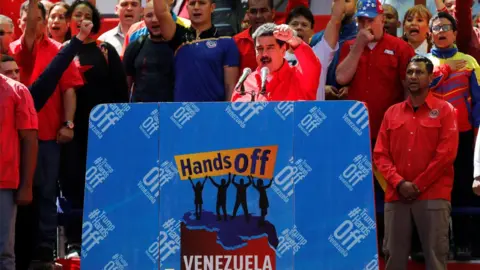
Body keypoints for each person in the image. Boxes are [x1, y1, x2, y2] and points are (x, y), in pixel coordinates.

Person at [374, 55, 458, 270]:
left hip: (433, 195)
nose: (413, 76)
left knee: (436, 258)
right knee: (393, 258)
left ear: (430, 78)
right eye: (410, 72)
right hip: (396, 195)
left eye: (419, 72)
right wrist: (400, 183)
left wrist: (418, 185)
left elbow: (446, 155)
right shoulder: (391, 113)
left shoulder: (446, 110)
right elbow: (380, 155)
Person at [60, 0, 129, 259]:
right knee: (73, 187)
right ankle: (74, 243)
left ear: (95, 21)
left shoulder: (106, 50)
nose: (82, 19)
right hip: (71, 133)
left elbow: (121, 94)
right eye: (77, 15)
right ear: (70, 21)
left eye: (87, 15)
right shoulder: (63, 51)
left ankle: (109, 238)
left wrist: (119, 131)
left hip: (104, 134)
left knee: (106, 186)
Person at [427, 11, 480, 260]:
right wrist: (445, 70)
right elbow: (418, 89)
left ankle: (465, 242)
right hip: (429, 137)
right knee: (433, 189)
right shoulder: (422, 60)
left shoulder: (469, 61)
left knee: (462, 188)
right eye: (436, 27)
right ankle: (434, 244)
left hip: (463, 134)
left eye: (445, 27)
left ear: (455, 33)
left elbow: (478, 102)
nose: (441, 31)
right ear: (430, 34)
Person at [153, 0, 240, 101]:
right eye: (192, 3)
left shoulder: (227, 42)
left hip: (214, 113)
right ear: (187, 8)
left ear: (212, 7)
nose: (196, 7)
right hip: (181, 113)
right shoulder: (177, 36)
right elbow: (161, 12)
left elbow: (230, 86)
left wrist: (226, 114)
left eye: (202, 3)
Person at [0, 72, 38, 270]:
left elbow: (30, 140)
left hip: (4, 183)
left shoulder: (17, 91)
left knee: (3, 252)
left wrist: (26, 185)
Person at [231, 23, 321, 101]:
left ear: (283, 50)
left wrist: (291, 39)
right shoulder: (246, 82)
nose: (264, 54)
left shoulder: (300, 77)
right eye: (260, 49)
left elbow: (312, 64)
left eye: (270, 48)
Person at [123, 0, 175, 102]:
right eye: (149, 15)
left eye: (158, 15)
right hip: (141, 112)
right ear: (143, 19)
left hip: (173, 111)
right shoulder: (135, 46)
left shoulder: (180, 46)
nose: (155, 20)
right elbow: (126, 86)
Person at [310, 0, 357, 100]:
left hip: (353, 105)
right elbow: (310, 73)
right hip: (322, 103)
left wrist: (353, 88)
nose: (341, 6)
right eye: (335, 1)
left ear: (356, 6)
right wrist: (322, 87)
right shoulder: (317, 39)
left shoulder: (362, 37)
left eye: (347, 1)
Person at [121, 0, 191, 57]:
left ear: (171, 1)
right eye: (149, 15)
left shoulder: (188, 27)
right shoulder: (134, 31)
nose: (155, 20)